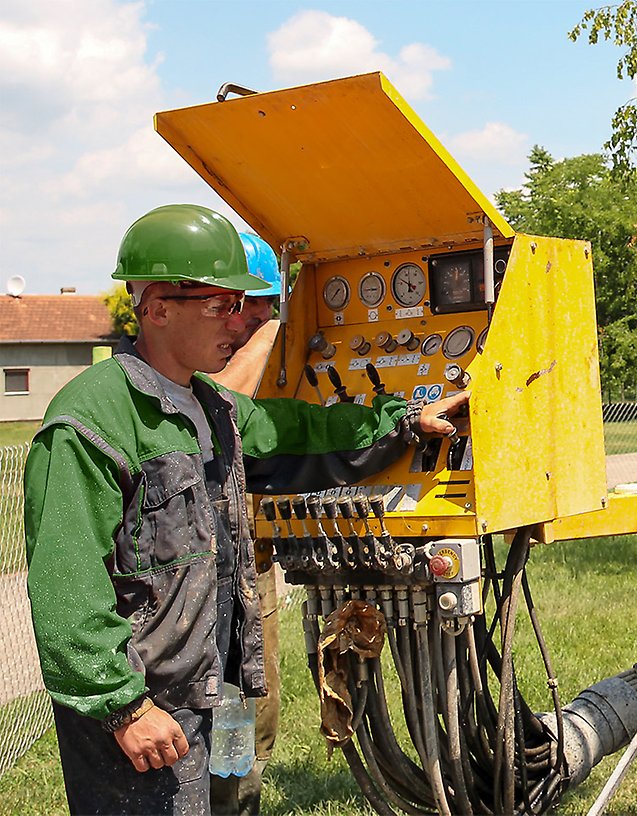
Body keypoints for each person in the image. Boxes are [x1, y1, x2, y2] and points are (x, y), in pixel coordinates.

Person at [23, 204, 468, 815]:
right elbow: (68, 593)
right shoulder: (92, 421)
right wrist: (124, 706)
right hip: (143, 719)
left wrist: (404, 422)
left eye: (244, 305)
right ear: (155, 308)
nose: (242, 323)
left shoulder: (213, 410)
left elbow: (303, 434)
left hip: (209, 694)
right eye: (222, 306)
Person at [208, 233, 283, 816]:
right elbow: (220, 407)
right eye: (246, 304)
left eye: (267, 306)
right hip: (192, 588)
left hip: (253, 567)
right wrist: (266, 338)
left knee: (254, 717)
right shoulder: (198, 375)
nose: (255, 319)